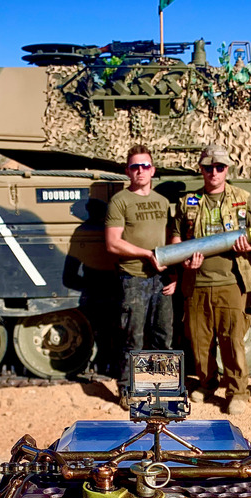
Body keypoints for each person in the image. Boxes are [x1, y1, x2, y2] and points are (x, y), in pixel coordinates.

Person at [168, 144, 251, 415]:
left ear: (227, 169)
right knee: (199, 340)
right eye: (208, 168)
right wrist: (181, 258)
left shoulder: (242, 198)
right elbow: (176, 234)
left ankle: (238, 391)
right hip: (196, 281)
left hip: (231, 281)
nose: (214, 173)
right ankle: (208, 383)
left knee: (232, 340)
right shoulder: (188, 202)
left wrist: (249, 246)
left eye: (219, 167)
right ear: (201, 170)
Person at [105, 144, 174, 407]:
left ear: (153, 170)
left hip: (161, 279)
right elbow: (113, 243)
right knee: (132, 337)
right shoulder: (120, 201)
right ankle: (127, 389)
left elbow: (171, 241)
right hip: (133, 279)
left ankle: (164, 387)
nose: (140, 171)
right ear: (128, 171)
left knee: (162, 336)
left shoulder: (162, 202)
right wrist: (146, 254)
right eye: (135, 166)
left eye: (145, 166)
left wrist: (174, 274)